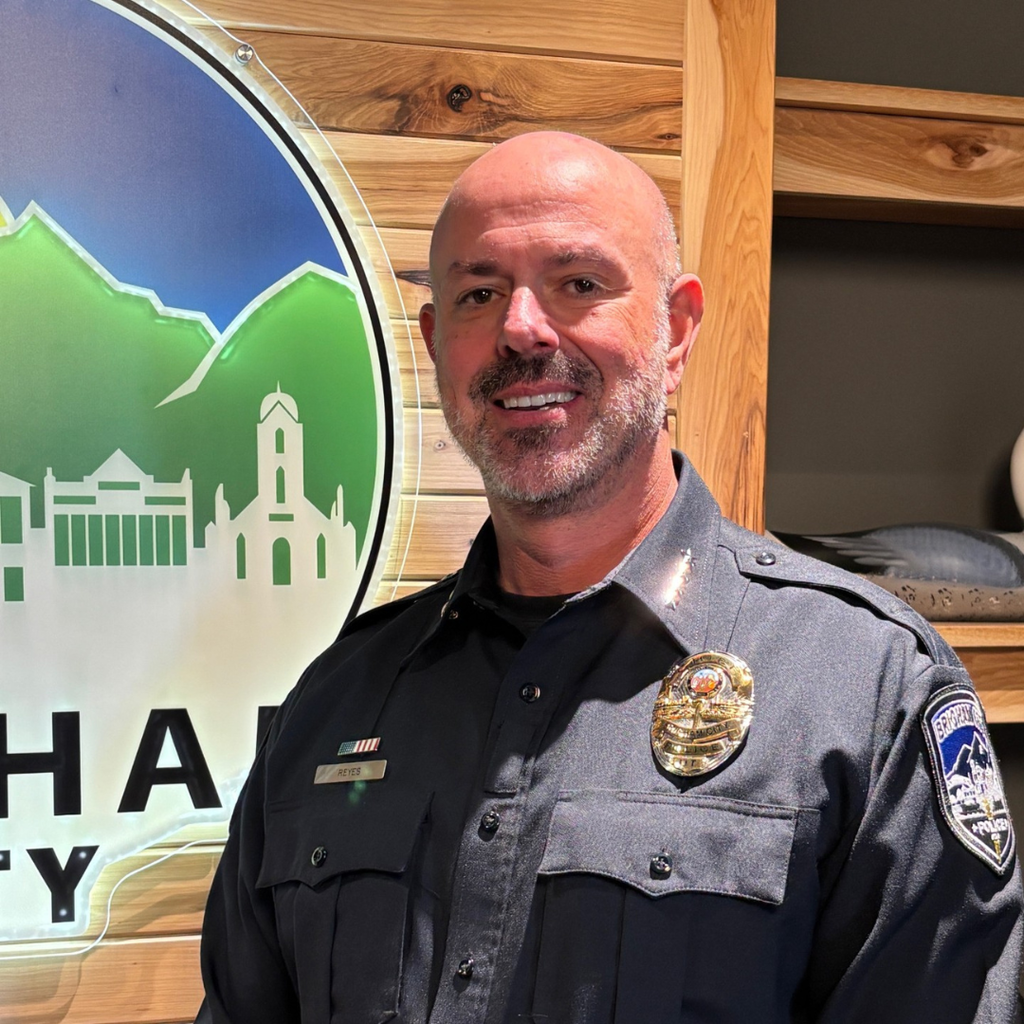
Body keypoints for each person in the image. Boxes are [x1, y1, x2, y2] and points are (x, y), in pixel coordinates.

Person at [198, 132, 1024, 1022]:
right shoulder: (340, 700)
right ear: (439, 344)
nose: (521, 327)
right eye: (480, 292)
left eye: (579, 283)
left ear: (677, 330)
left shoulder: (865, 688)